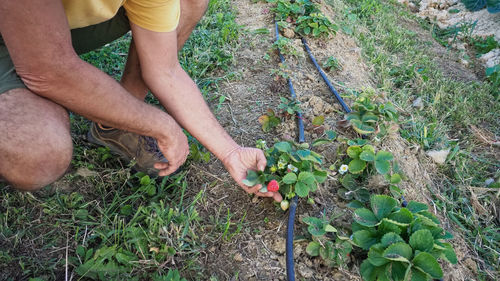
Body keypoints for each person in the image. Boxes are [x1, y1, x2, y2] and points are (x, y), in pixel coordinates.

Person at [0, 0, 282, 202]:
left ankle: (114, 126)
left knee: (188, 2)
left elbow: (165, 70)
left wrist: (231, 152)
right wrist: (160, 124)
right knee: (38, 154)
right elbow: (49, 71)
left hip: (48, 22)